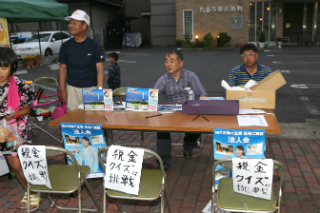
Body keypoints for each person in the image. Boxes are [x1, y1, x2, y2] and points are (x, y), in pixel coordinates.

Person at [154, 50, 207, 170]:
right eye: (166, 61)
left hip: (188, 110)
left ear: (180, 63)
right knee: (161, 129)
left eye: (172, 61)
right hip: (170, 112)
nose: (168, 64)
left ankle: (188, 146)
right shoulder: (163, 79)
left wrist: (199, 108)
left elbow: (203, 94)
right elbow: (153, 95)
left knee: (198, 123)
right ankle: (164, 161)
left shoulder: (191, 76)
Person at [0, 47, 39, 211]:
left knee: (16, 164)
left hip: (16, 131)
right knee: (12, 164)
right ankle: (30, 190)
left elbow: (29, 109)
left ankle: (34, 192)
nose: (0, 72)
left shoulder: (20, 85)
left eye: (4, 67)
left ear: (12, 67)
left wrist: (15, 114)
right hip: (2, 133)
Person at [58, 9, 105, 112]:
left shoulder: (94, 46)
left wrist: (100, 90)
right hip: (72, 89)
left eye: (75, 23)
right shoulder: (65, 46)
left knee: (92, 119)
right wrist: (62, 90)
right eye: (70, 23)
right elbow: (62, 69)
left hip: (91, 89)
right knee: (74, 119)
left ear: (84, 26)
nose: (71, 25)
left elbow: (100, 69)